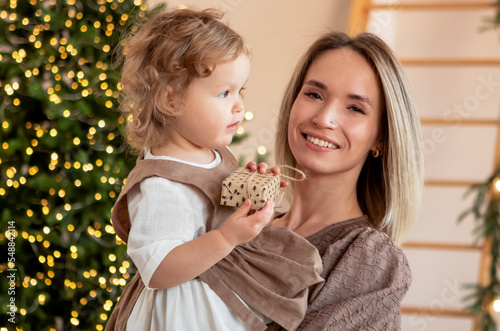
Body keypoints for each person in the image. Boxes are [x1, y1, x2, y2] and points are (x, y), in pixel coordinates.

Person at [105, 8, 323, 331]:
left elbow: (217, 200)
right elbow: (159, 269)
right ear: (172, 100)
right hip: (185, 309)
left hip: (221, 279)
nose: (239, 106)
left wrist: (248, 188)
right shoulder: (161, 187)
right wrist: (225, 238)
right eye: (224, 93)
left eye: (240, 91)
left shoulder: (211, 150)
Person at [266, 31, 424, 330]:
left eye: (355, 108)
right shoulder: (239, 226)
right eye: (314, 94)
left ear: (380, 137)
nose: (324, 118)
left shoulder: (371, 258)